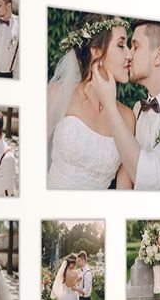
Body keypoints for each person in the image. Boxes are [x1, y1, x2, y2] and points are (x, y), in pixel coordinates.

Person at [47, 14, 135, 190]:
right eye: (120, 45)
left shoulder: (127, 118)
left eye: (128, 45)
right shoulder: (59, 93)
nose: (129, 54)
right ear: (96, 52)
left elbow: (124, 194)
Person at [92, 21, 160, 191]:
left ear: (158, 56)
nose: (129, 55)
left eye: (135, 47)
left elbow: (150, 177)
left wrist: (109, 103)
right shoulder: (137, 110)